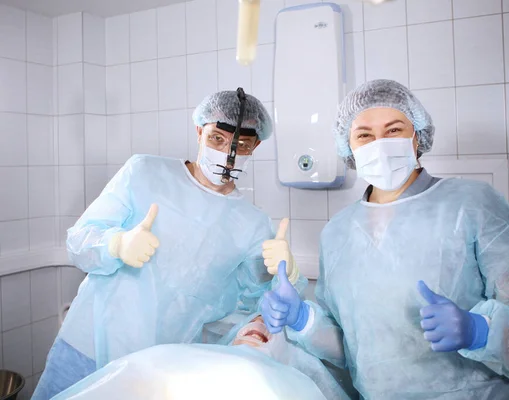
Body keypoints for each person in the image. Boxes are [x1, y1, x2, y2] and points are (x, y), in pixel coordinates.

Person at [260, 79, 509, 399]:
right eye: (364, 135)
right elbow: (353, 351)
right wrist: (303, 319)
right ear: (349, 149)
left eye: (394, 130)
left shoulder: (471, 204)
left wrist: (479, 331)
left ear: (417, 136)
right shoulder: (338, 233)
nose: (379, 144)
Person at [33, 89, 305, 400]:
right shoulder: (144, 172)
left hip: (160, 369)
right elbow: (78, 241)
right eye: (217, 138)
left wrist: (289, 274)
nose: (228, 153)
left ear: (254, 146)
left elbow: (264, 306)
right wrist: (116, 245)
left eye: (241, 145)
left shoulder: (253, 224)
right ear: (199, 130)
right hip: (87, 347)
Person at [52, 312, 352, 400]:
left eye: (274, 325)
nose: (259, 322)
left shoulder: (292, 384)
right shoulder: (174, 357)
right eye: (255, 316)